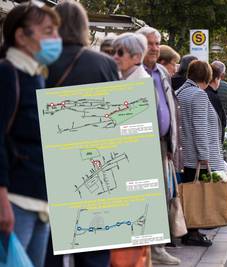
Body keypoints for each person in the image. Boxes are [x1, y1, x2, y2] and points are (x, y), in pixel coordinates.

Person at [45, 1, 119, 266]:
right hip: (92, 163)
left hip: (48, 161)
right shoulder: (103, 64)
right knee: (94, 238)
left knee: (50, 239)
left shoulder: (41, 61)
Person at [0, 3, 61, 267]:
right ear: (21, 36)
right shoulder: (6, 73)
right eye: (47, 31)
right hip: (15, 198)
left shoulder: (36, 76)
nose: (55, 39)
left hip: (40, 198)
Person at [136, 25, 182, 265]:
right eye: (149, 43)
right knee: (141, 197)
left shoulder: (162, 73)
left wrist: (172, 144)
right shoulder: (132, 71)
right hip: (138, 143)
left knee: (162, 195)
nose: (154, 48)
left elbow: (169, 107)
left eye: (156, 43)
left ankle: (157, 248)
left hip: (162, 144)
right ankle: (139, 250)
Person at [109, 32, 152, 267]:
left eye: (120, 52)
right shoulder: (119, 79)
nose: (115, 57)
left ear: (136, 57)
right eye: (113, 52)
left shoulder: (141, 83)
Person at [176, 60, 224, 247]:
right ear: (207, 76)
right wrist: (204, 156)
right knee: (197, 195)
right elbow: (200, 128)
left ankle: (188, 230)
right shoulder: (198, 95)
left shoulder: (180, 92)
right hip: (196, 157)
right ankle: (192, 232)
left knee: (188, 193)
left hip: (184, 154)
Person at [206, 64, 227, 144]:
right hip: (213, 140)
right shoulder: (213, 96)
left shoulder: (205, 93)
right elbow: (220, 119)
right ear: (216, 79)